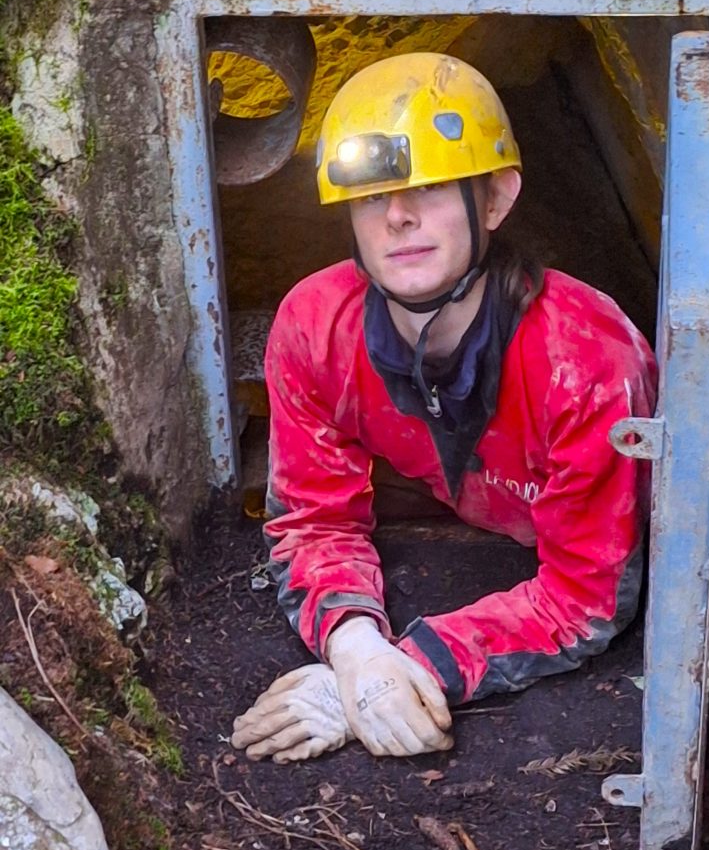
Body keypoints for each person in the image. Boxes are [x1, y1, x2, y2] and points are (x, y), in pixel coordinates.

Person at [230, 52, 657, 763]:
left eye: (427, 188)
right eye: (370, 197)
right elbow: (314, 517)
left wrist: (403, 673)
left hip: (560, 527)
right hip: (462, 503)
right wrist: (354, 646)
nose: (397, 217)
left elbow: (586, 596)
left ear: (494, 199)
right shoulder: (316, 324)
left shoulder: (585, 359)